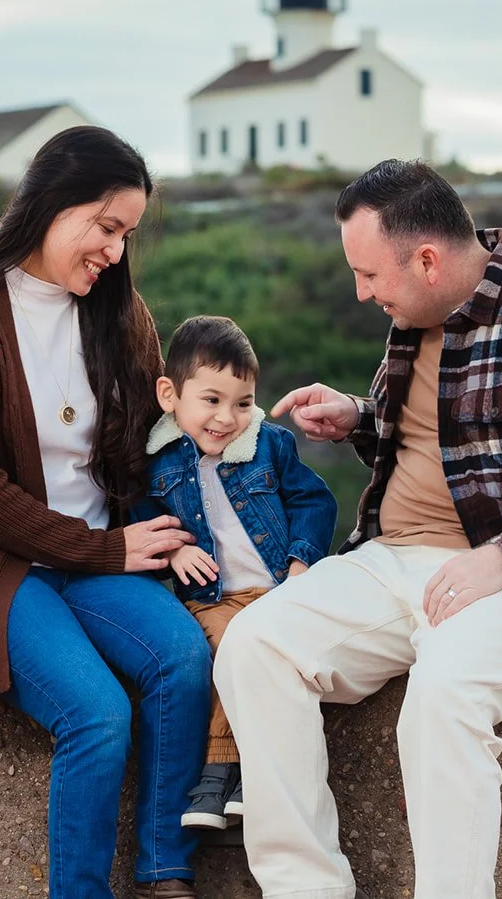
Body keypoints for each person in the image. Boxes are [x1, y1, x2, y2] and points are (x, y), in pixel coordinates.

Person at [214, 159, 502, 899]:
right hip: (396, 560)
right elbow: (444, 452)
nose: (362, 291)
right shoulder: (414, 321)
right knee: (253, 645)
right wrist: (361, 421)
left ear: (427, 258)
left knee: (446, 688)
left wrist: (501, 558)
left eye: (369, 274)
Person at [0, 126, 212, 899]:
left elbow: (157, 442)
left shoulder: (119, 315)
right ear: (51, 202)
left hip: (98, 557)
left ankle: (165, 872)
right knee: (97, 715)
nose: (113, 250)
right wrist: (104, 551)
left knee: (184, 659)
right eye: (105, 227)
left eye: (126, 235)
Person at [131, 315, 338, 832]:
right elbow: (140, 521)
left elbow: (315, 500)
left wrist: (300, 561)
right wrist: (174, 551)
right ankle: (237, 766)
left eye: (242, 403)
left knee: (271, 652)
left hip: (275, 593)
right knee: (230, 648)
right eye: (211, 400)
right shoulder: (157, 465)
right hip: (212, 599)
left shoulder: (269, 444)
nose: (227, 418)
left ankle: (225, 771)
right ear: (169, 395)